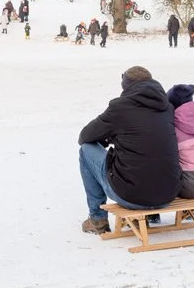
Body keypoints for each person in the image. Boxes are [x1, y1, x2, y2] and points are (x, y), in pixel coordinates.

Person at [77, 66, 181, 234]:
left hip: (131, 196)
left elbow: (85, 137)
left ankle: (97, 219)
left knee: (86, 150)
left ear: (126, 85)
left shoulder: (119, 108)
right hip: (168, 195)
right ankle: (151, 216)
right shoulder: (167, 108)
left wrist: (108, 137)